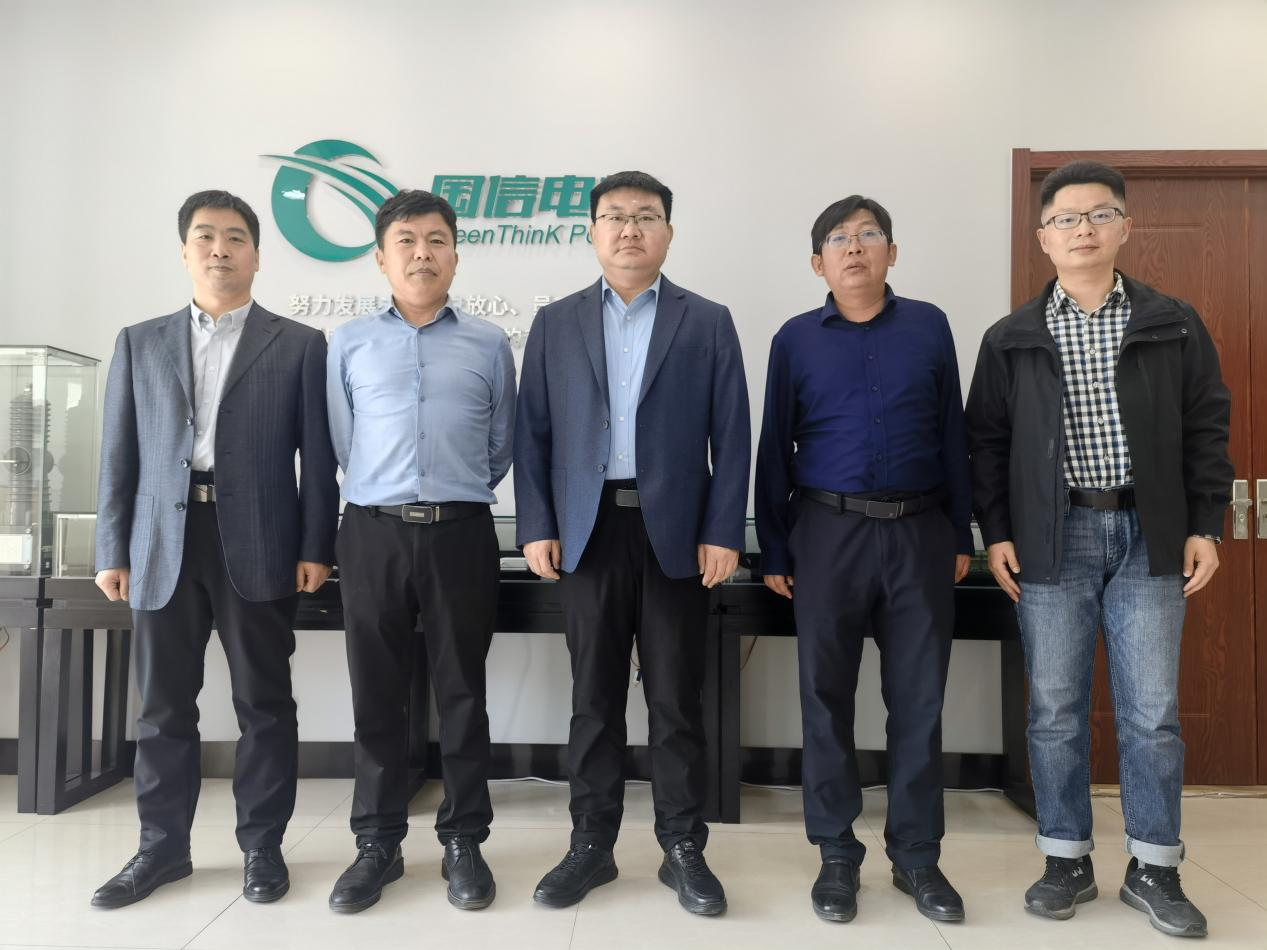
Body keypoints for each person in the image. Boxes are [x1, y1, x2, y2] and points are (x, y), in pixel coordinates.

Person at [966, 160, 1231, 939]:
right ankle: (1064, 858)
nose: (1081, 229)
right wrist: (996, 532)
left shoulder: (1171, 322)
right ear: (1042, 237)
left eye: (1097, 214)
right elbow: (985, 444)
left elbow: (1205, 425)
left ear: (1123, 228)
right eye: (1065, 218)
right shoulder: (1011, 337)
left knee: (1151, 714)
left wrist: (1204, 522)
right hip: (1052, 538)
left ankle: (1154, 867)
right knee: (1054, 709)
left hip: (1150, 534)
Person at [92, 190, 338, 908]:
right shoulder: (139, 341)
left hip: (261, 540)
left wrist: (316, 544)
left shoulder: (299, 344)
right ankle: (161, 849)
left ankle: (262, 847)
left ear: (257, 255)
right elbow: (118, 453)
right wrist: (112, 546)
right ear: (184, 251)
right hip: (160, 542)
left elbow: (318, 460)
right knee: (163, 707)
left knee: (265, 702)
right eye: (205, 236)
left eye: (235, 237)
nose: (220, 249)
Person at [514, 170, 749, 915]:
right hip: (587, 532)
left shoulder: (706, 320)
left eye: (645, 216)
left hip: (675, 533)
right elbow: (531, 433)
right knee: (593, 698)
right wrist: (536, 524)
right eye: (614, 216)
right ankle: (592, 844)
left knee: (677, 697)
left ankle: (682, 846)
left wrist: (722, 530)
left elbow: (732, 436)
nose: (629, 229)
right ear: (592, 232)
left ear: (668, 233)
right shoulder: (555, 323)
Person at [755, 196, 973, 925]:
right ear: (817, 263)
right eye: (839, 239)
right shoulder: (794, 339)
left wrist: (961, 534)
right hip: (827, 534)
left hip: (920, 533)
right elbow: (773, 446)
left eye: (869, 235)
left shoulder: (929, 326)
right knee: (824, 699)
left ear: (891, 252)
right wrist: (775, 546)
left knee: (919, 701)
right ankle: (836, 854)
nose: (855, 247)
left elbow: (953, 434)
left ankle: (917, 856)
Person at [325, 189, 515, 914]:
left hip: (461, 531)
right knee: (376, 692)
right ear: (381, 258)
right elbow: (344, 442)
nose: (422, 254)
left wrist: (452, 491)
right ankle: (377, 842)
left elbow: (499, 446)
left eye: (436, 241)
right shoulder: (348, 343)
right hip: (371, 531)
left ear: (456, 256)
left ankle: (464, 839)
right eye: (406, 241)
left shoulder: (489, 344)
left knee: (463, 691)